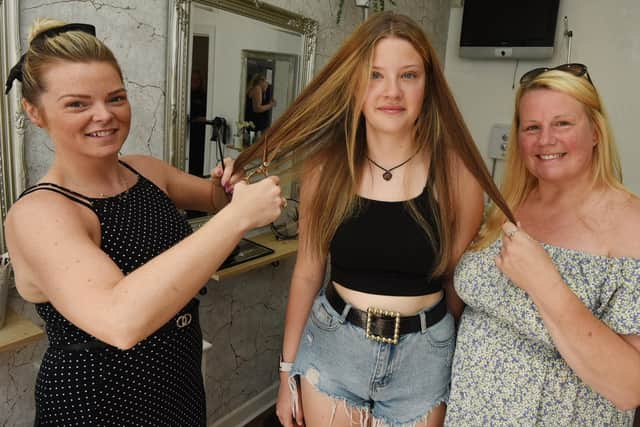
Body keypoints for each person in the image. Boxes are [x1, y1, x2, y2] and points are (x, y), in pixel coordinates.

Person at [233, 12, 513, 427]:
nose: (392, 92)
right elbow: (309, 272)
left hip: (424, 359)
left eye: (409, 76)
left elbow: (456, 281)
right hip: (334, 349)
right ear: (354, 85)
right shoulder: (326, 166)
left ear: (428, 86)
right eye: (375, 75)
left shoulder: (457, 173)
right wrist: (285, 373)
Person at [3, 19, 284, 426]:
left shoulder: (146, 171)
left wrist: (230, 182)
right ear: (35, 112)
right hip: (97, 399)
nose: (104, 115)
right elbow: (119, 320)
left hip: (176, 374)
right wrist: (240, 217)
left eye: (116, 98)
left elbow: (215, 199)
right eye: (77, 104)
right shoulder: (41, 213)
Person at [445, 64, 640, 425]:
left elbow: (630, 388)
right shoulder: (503, 206)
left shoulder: (632, 227)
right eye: (531, 127)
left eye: (562, 124)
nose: (545, 139)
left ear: (596, 132)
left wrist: (544, 283)